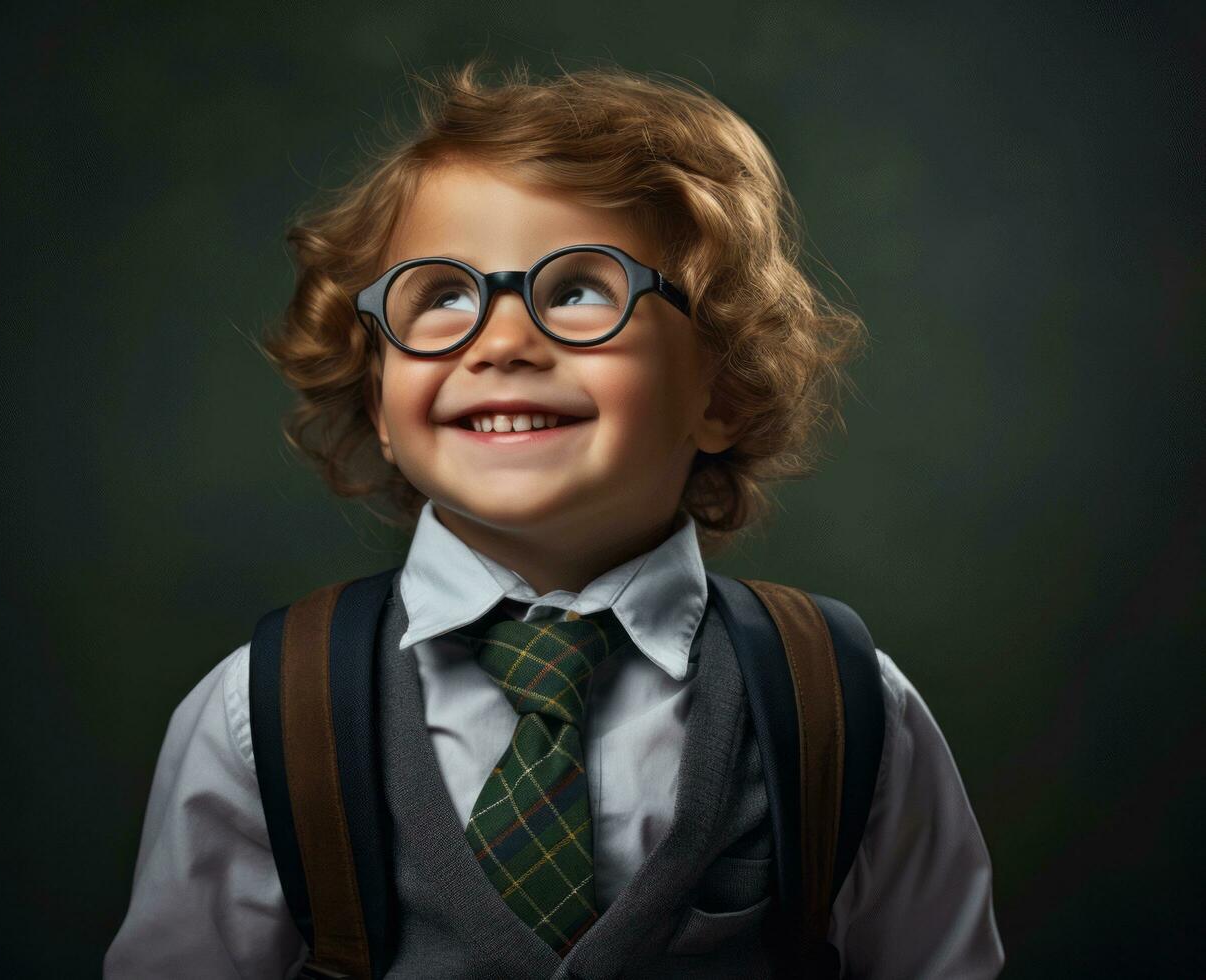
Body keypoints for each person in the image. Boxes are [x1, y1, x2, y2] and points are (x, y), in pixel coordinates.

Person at [105, 59, 1005, 978]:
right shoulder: (261, 711)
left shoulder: (841, 706)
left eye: (580, 289)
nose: (499, 343)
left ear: (720, 389)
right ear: (378, 395)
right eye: (441, 295)